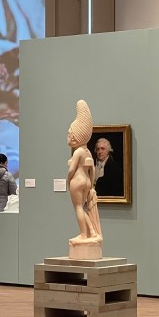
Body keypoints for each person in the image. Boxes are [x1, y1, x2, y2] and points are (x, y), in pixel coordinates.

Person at [67, 100, 101, 246]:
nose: (68, 136)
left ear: (75, 137)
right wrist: (92, 184)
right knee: (83, 208)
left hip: (77, 181)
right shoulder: (87, 151)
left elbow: (71, 169)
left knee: (78, 208)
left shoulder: (78, 152)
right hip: (86, 181)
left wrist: (68, 180)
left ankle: (83, 234)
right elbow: (92, 169)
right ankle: (92, 232)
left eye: (69, 134)